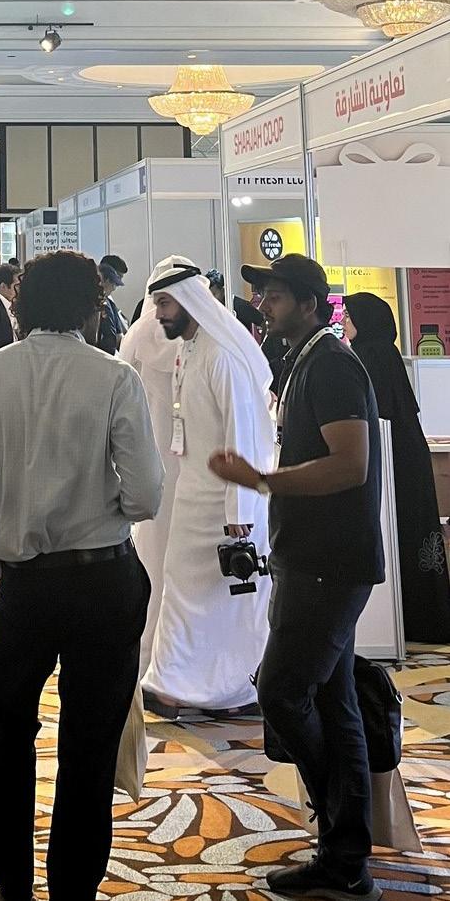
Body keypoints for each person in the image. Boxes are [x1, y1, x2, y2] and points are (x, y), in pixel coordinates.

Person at [0, 251, 163, 901]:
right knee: (90, 739)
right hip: (103, 579)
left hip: (23, 583)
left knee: (8, 729)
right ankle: (74, 886)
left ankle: (10, 879)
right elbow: (146, 496)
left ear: (20, 304)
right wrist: (102, 506)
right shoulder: (114, 377)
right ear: (92, 309)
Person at [210, 254, 384, 901]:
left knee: (282, 693)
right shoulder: (306, 358)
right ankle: (344, 856)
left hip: (326, 564)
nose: (262, 305)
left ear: (309, 303)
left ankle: (341, 837)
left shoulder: (331, 364)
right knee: (333, 706)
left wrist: (261, 481)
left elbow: (349, 465)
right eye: (262, 295)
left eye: (275, 296)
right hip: (312, 559)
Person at [139, 257, 274, 717]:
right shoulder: (189, 350)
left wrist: (240, 509)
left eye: (165, 304)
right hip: (193, 493)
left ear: (190, 301)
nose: (159, 314)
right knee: (183, 590)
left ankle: (228, 690)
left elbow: (244, 435)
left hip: (226, 504)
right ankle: (174, 683)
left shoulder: (222, 356)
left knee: (229, 602)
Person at [344, 292, 450, 642]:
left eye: (349, 316)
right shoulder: (382, 355)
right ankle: (423, 617)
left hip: (393, 465)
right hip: (406, 460)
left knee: (401, 534)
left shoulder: (368, 358)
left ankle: (410, 620)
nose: (344, 322)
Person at [119, 260, 183, 680]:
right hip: (177, 455)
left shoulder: (138, 334)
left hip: (151, 450)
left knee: (155, 547)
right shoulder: (188, 338)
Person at [95, 259, 128, 355]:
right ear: (104, 281)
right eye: (113, 283)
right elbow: (112, 337)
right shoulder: (105, 304)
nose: (114, 288)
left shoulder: (106, 303)